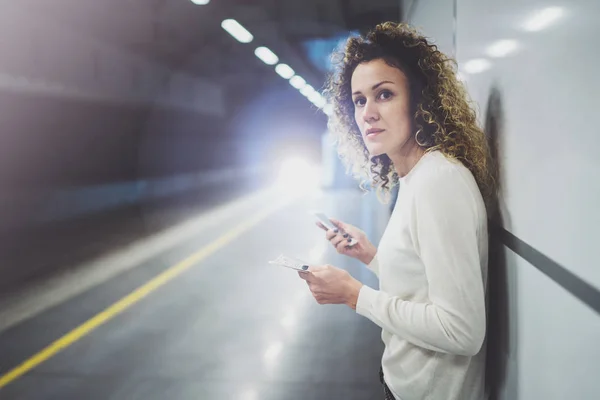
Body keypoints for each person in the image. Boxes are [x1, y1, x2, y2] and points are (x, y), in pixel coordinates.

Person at [298, 22, 496, 400]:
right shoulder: (415, 178)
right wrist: (371, 255)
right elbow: (425, 282)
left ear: (419, 102)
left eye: (384, 94)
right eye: (359, 100)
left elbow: (461, 331)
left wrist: (355, 295)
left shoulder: (438, 181)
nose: (368, 113)